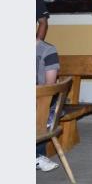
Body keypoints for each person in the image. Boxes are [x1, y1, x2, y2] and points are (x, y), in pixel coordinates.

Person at [36, 39, 60, 172]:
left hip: (42, 99)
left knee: (39, 109)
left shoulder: (47, 50)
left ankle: (37, 156)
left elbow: (49, 86)